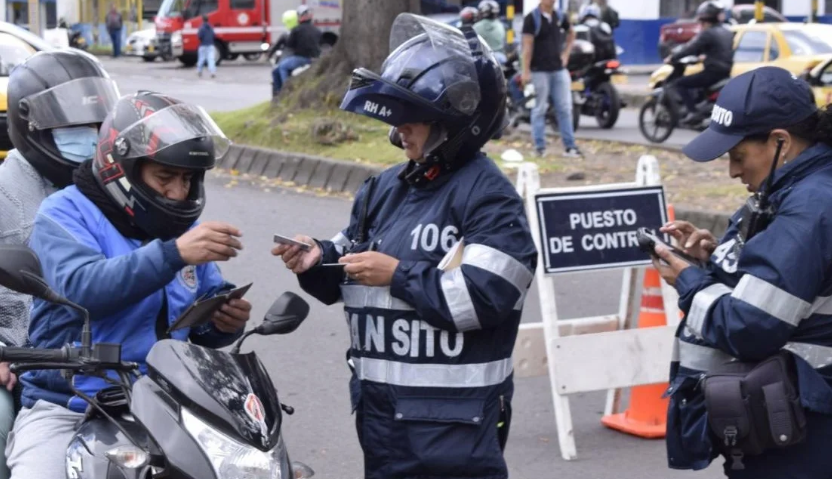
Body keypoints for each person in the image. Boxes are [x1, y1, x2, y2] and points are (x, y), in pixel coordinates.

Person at [272, 13, 537, 479]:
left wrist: (398, 274)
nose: (397, 130)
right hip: (383, 419)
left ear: (454, 120)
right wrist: (317, 259)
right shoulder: (384, 188)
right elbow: (348, 260)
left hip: (454, 430)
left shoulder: (491, 199)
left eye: (410, 116)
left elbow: (486, 297)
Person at [5, 91, 252, 479]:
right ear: (123, 170)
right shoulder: (64, 213)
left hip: (168, 403)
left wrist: (223, 320)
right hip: (70, 403)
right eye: (165, 177)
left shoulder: (179, 229)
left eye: (187, 179)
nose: (178, 192)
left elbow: (195, 324)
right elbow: (82, 289)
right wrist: (173, 255)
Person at [653, 66, 832, 478]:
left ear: (780, 142)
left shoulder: (808, 205)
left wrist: (688, 280)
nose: (733, 172)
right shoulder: (799, 190)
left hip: (803, 438)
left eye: (737, 156)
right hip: (793, 421)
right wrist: (716, 260)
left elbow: (751, 324)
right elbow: (792, 278)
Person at [0, 49, 119, 479]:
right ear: (29, 124)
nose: (90, 137)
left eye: (97, 126)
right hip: (19, 356)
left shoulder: (111, 184)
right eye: (74, 128)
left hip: (98, 355)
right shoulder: (4, 192)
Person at [521, 0, 582, 158]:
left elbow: (572, 33)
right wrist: (525, 71)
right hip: (538, 71)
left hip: (558, 70)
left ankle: (570, 147)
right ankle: (540, 147)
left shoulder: (560, 16)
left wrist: (566, 54)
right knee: (539, 109)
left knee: (565, 109)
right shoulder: (532, 18)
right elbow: (527, 47)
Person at [665, 0, 734, 124]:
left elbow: (690, 47)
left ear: (705, 20)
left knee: (680, 83)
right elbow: (715, 49)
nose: (701, 25)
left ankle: (693, 112)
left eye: (701, 22)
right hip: (725, 72)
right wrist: (702, 57)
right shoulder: (727, 31)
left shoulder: (707, 33)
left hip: (712, 72)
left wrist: (673, 57)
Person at [272, 4, 321, 97]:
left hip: (301, 58)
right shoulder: (317, 30)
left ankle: (284, 91)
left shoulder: (296, 30)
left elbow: (290, 45)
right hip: (315, 58)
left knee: (282, 67)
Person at [197, 14, 216, 78]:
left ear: (202, 20)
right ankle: (212, 72)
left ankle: (199, 71)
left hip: (203, 45)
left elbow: (199, 36)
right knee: (211, 59)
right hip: (210, 45)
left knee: (201, 58)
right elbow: (214, 35)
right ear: (208, 20)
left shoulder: (201, 28)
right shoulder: (211, 27)